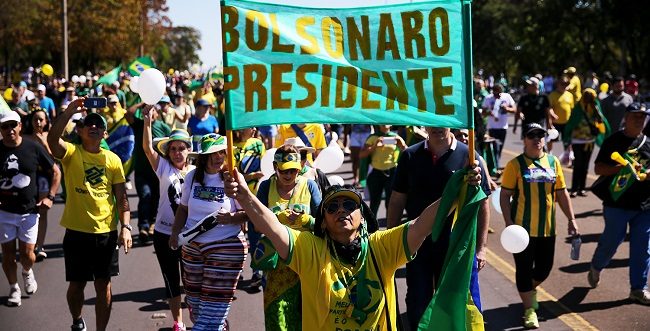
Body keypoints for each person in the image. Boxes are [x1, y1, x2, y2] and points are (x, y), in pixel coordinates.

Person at [225, 161, 481, 330]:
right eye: (332, 207)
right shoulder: (309, 249)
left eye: (349, 205)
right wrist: (245, 195)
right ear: (322, 222)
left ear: (362, 217)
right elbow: (272, 226)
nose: (341, 211)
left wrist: (456, 191)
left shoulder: (381, 247)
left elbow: (421, 225)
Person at [386, 126, 490, 330]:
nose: (437, 129)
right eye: (432, 124)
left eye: (442, 124)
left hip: (455, 245)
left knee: (455, 300)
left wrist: (481, 248)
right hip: (419, 243)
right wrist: (392, 240)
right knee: (418, 300)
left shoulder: (469, 156)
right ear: (425, 126)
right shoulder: (410, 155)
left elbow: (482, 203)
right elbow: (397, 199)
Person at [47, 97, 132, 331]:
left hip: (105, 234)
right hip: (76, 232)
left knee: (103, 286)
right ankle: (77, 320)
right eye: (89, 124)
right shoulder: (71, 154)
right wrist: (69, 112)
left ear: (105, 133)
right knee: (76, 285)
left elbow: (122, 199)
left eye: (99, 125)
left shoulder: (113, 160)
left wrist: (125, 228)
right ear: (81, 130)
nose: (94, 127)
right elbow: (52, 139)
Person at [500, 123, 578, 329]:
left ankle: (527, 291)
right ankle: (529, 310)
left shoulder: (553, 162)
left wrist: (571, 219)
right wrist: (508, 223)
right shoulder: (515, 165)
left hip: (547, 229)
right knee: (524, 270)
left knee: (544, 270)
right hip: (521, 231)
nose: (537, 139)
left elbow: (561, 193)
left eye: (540, 135)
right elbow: (505, 194)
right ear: (524, 139)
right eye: (531, 135)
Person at [169, 133, 248, 330]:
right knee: (196, 307)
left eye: (222, 152)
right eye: (213, 153)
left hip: (225, 245)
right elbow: (183, 208)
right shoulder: (192, 177)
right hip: (192, 246)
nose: (218, 157)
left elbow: (250, 212)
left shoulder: (235, 178)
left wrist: (231, 218)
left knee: (210, 314)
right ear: (203, 156)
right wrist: (174, 233)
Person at [588, 103, 650, 305]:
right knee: (612, 241)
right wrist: (623, 169)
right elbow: (598, 169)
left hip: (644, 205)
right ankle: (597, 266)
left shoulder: (648, 143)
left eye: (643, 117)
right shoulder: (613, 140)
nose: (639, 120)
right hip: (617, 204)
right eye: (635, 116)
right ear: (626, 117)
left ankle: (638, 288)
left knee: (642, 247)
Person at [255, 145, 322, 330]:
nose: (288, 174)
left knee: (307, 316)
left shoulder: (310, 186)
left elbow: (325, 223)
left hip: (305, 261)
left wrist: (306, 220)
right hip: (276, 265)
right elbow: (256, 223)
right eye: (284, 170)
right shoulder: (266, 187)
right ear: (275, 166)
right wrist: (277, 219)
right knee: (277, 315)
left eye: (293, 170)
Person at [0, 110, 60, 307]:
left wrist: (50, 196)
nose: (9, 130)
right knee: (8, 254)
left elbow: (55, 171)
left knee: (27, 255)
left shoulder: (32, 147)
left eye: (12, 125)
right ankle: (14, 288)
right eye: (4, 127)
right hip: (4, 212)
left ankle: (27, 271)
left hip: (29, 211)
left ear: (19, 126)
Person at [142, 106, 194, 331]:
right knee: (172, 281)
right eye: (173, 149)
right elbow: (146, 148)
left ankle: (198, 320)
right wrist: (147, 122)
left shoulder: (196, 171)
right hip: (163, 235)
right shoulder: (163, 167)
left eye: (181, 148)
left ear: (188, 150)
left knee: (191, 281)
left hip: (190, 235)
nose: (177, 152)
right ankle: (178, 323)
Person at [127, 101, 172, 244]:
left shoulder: (164, 127)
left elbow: (171, 147)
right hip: (141, 171)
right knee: (145, 196)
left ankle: (153, 224)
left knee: (156, 199)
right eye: (148, 111)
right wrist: (143, 103)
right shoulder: (139, 125)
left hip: (158, 172)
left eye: (153, 110)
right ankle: (143, 227)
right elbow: (128, 113)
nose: (151, 113)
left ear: (157, 114)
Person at [233, 127, 266, 289]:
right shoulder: (232, 146)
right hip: (237, 198)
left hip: (256, 198)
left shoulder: (258, 144)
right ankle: (236, 272)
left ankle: (256, 272)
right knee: (237, 238)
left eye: (254, 126)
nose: (253, 129)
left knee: (255, 236)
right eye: (249, 126)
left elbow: (265, 168)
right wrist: (252, 176)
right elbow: (233, 174)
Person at [563, 88, 610, 197]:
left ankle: (582, 188)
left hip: (590, 141)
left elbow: (601, 122)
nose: (589, 98)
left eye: (591, 96)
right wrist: (567, 139)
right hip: (577, 141)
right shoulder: (578, 108)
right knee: (578, 164)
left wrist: (597, 111)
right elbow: (571, 123)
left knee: (585, 166)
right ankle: (574, 189)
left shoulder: (595, 108)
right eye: (587, 96)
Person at [23, 109, 56, 260]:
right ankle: (28, 245)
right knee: (27, 212)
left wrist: (42, 141)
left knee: (42, 212)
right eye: (35, 119)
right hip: (27, 178)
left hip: (44, 177)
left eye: (41, 120)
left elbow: (53, 158)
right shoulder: (25, 137)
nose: (38, 123)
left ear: (46, 122)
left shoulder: (49, 137)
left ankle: (39, 247)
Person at [359, 125, 406, 217]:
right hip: (376, 173)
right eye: (382, 122)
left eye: (387, 122)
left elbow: (408, 152)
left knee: (391, 202)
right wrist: (374, 146)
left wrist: (402, 145)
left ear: (391, 124)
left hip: (392, 172)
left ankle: (390, 227)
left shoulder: (396, 137)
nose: (385, 124)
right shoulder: (373, 137)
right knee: (374, 202)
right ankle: (372, 228)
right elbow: (362, 155)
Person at [481, 83, 516, 167]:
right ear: (493, 92)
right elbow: (483, 112)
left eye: (499, 93)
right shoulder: (488, 98)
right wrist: (489, 112)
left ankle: (495, 165)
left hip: (503, 127)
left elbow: (514, 110)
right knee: (495, 148)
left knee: (500, 148)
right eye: (496, 93)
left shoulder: (506, 96)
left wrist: (507, 108)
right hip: (492, 127)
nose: (498, 95)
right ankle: (496, 167)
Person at [547, 77, 575, 153]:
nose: (564, 86)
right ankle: (550, 154)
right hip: (555, 123)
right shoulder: (552, 95)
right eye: (562, 84)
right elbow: (549, 108)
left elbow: (572, 109)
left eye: (566, 84)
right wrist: (552, 114)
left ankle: (568, 156)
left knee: (567, 141)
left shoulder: (570, 95)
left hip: (567, 123)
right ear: (557, 85)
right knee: (551, 139)